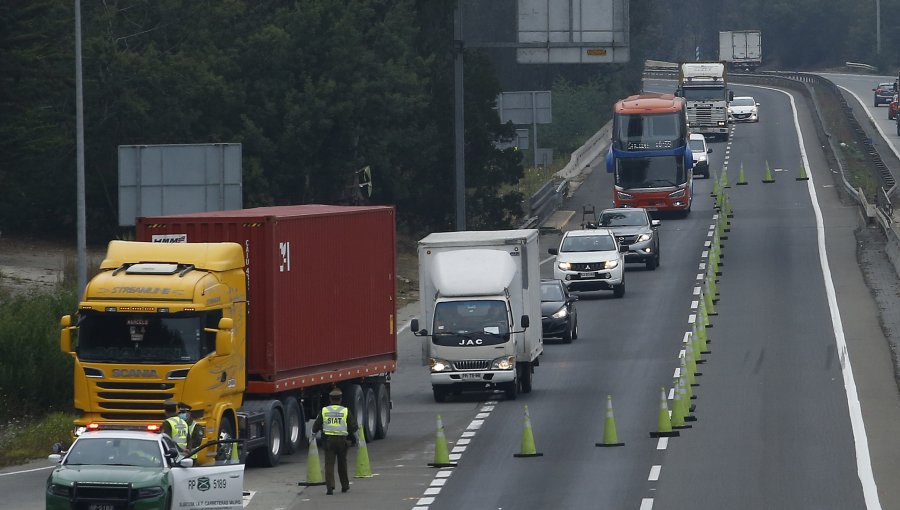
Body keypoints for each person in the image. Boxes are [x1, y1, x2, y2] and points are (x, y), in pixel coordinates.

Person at [312, 387, 358, 495]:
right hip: (342, 441)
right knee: (342, 464)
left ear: (330, 399)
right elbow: (354, 427)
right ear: (340, 399)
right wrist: (353, 436)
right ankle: (345, 486)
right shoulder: (345, 411)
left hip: (328, 440)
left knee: (329, 464)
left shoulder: (324, 411)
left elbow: (316, 426)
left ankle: (330, 487)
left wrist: (313, 435)